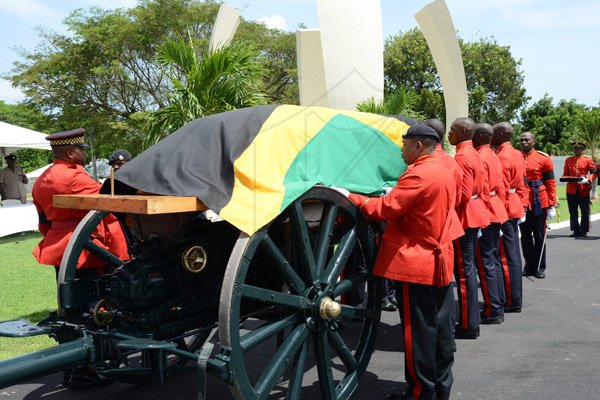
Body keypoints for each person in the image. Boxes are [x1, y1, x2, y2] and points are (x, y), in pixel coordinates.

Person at [345, 124, 463, 400]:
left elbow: (385, 209)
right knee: (441, 330)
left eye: (404, 144)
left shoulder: (419, 174)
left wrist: (352, 197)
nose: (401, 148)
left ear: (418, 146)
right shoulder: (445, 168)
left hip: (416, 263)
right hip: (440, 260)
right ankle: (439, 388)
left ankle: (420, 392)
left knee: (418, 334)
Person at [32, 128, 129, 277]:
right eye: (81, 150)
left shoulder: (40, 181)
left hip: (58, 247)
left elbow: (43, 222)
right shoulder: (75, 177)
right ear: (70, 153)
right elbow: (110, 207)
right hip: (85, 249)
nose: (84, 154)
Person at [448, 117, 489, 339]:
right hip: (473, 214)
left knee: (463, 272)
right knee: (468, 270)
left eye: (453, 130)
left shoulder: (463, 156)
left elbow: (462, 195)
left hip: (464, 216)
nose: (449, 133)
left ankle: (467, 323)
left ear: (463, 131)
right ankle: (469, 320)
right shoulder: (472, 153)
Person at [473, 123, 508, 324]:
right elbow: (501, 186)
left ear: (478, 137)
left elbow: (483, 190)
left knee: (485, 263)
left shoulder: (481, 157)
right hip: (496, 210)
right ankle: (498, 302)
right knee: (493, 259)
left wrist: (482, 214)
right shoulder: (493, 155)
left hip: (487, 212)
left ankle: (492, 309)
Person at [491, 122, 527, 313]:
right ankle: (514, 297)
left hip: (505, 209)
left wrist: (500, 212)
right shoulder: (516, 153)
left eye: (495, 133)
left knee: (506, 256)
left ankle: (512, 299)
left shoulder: (503, 156)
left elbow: (502, 189)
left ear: (503, 134)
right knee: (512, 254)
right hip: (514, 205)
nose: (492, 136)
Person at [519, 132, 556, 279]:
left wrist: (552, 205)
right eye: (521, 140)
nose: (523, 142)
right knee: (525, 236)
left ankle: (540, 266)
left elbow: (551, 183)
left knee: (539, 235)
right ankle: (529, 266)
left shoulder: (543, 159)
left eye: (527, 140)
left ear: (533, 141)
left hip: (539, 200)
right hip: (522, 202)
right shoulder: (517, 157)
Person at [562, 141, 596, 237]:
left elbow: (594, 173)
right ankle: (575, 230)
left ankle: (584, 230)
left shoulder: (587, 160)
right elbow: (565, 174)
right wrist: (564, 178)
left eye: (578, 148)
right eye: (575, 148)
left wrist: (588, 179)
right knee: (572, 211)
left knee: (584, 211)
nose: (576, 150)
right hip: (571, 189)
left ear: (582, 149)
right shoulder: (568, 160)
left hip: (583, 189)